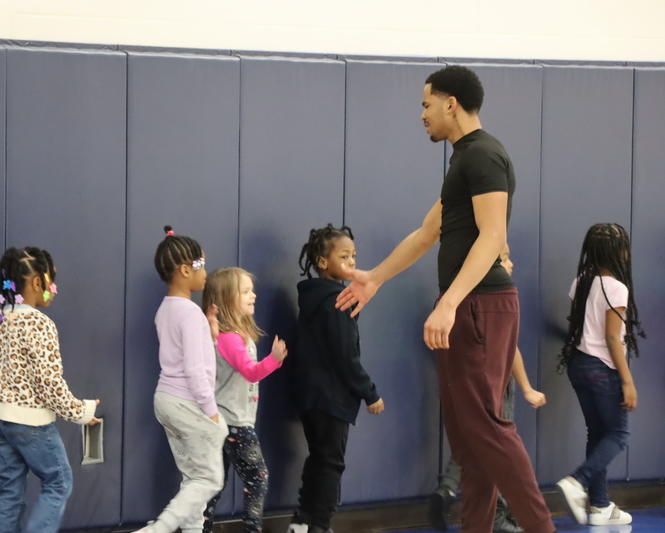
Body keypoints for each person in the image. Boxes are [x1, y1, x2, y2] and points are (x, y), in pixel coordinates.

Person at [336, 65, 555, 533]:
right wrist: (374, 278)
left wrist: (450, 302)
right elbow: (426, 234)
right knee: (469, 442)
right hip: (469, 307)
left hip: (481, 307)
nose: (422, 114)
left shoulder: (484, 156)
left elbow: (494, 236)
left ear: (450, 103)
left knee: (489, 431)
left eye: (426, 104)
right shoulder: (462, 160)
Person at [429, 244, 547, 533]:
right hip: (491, 381)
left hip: (492, 379)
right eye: (503, 259)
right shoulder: (479, 300)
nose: (509, 264)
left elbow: (513, 350)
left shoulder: (491, 304)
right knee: (480, 439)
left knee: (479, 440)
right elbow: (424, 235)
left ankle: (456, 494)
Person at [0, 247, 100, 533]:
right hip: (28, 421)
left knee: (10, 491)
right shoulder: (39, 323)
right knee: (59, 482)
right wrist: (82, 411)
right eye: (52, 283)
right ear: (37, 282)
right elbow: (49, 384)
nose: (54, 290)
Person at [287, 224, 384, 533]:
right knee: (331, 463)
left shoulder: (313, 299)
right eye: (344, 256)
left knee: (319, 458)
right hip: (332, 399)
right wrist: (370, 393)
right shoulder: (339, 301)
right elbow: (345, 357)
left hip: (311, 398)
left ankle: (302, 520)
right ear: (322, 261)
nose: (352, 262)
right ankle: (320, 525)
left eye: (354, 255)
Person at [136, 226, 228, 533]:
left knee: (193, 479)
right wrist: (211, 410)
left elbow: (189, 354)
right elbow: (194, 369)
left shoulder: (167, 309)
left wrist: (211, 335)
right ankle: (158, 529)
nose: (206, 272)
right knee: (209, 478)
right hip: (187, 401)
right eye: (202, 265)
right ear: (186, 269)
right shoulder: (190, 312)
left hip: (165, 400)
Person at [555, 223, 644, 527]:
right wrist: (628, 381)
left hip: (579, 365)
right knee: (619, 434)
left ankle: (600, 505)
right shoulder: (617, 287)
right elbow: (611, 338)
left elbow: (577, 326)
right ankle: (576, 482)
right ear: (619, 252)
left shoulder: (582, 281)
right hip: (603, 369)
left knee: (597, 434)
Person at [201, 268, 288, 533]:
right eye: (246, 291)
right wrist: (274, 360)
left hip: (227, 421)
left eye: (252, 290)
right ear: (227, 299)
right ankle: (251, 529)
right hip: (234, 424)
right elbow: (250, 372)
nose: (254, 295)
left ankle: (199, 527)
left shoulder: (236, 335)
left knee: (215, 482)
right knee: (258, 478)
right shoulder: (230, 339)